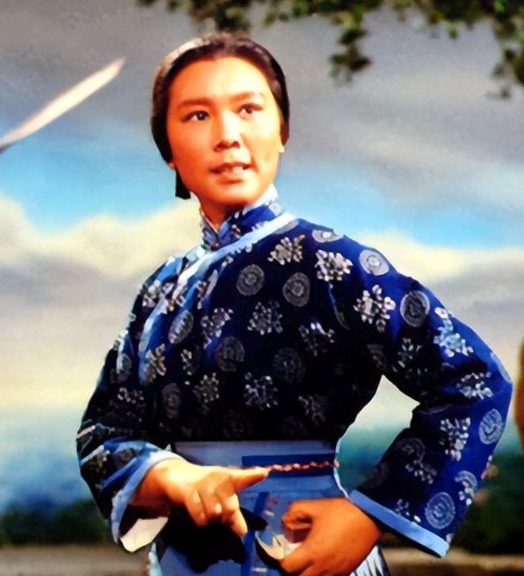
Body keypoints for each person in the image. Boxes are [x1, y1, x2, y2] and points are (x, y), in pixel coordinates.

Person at [76, 33, 512, 576]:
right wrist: (173, 477)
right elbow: (104, 431)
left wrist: (368, 517)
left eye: (248, 109)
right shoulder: (161, 290)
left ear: (281, 130)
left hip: (309, 549)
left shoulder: (331, 263)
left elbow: (474, 380)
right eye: (197, 116)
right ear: (168, 149)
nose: (227, 136)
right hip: (185, 560)